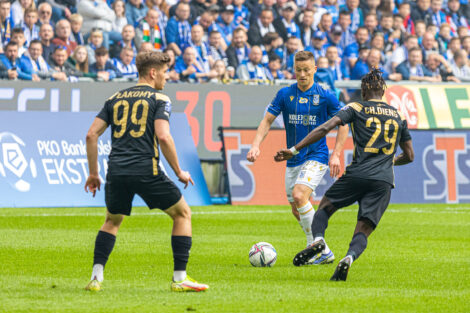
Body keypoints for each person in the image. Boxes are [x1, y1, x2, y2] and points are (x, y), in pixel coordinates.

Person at [84, 50, 209, 292]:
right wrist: (179, 171)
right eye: (164, 73)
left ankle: (96, 278)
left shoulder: (114, 98)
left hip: (116, 171)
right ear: (152, 73)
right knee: (182, 214)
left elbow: (91, 134)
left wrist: (93, 173)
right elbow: (163, 136)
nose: (167, 78)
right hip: (146, 169)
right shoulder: (160, 99)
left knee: (111, 221)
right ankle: (180, 278)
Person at [275, 68, 414, 281]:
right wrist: (389, 161)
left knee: (324, 208)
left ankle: (318, 240)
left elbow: (325, 128)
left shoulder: (356, 106)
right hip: (383, 181)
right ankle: (349, 257)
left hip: (357, 174)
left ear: (365, 92)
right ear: (382, 92)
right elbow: (410, 155)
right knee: (364, 228)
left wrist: (294, 149)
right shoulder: (398, 115)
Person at [246, 51, 349, 264]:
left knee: (300, 195)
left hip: (317, 155)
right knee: (296, 208)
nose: (302, 74)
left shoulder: (325, 95)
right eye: (298, 70)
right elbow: (266, 121)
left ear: (314, 70)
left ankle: (317, 247)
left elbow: (344, 124)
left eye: (306, 70)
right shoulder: (285, 94)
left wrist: (336, 155)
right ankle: (323, 251)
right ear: (294, 70)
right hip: (293, 158)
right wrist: (256, 145)